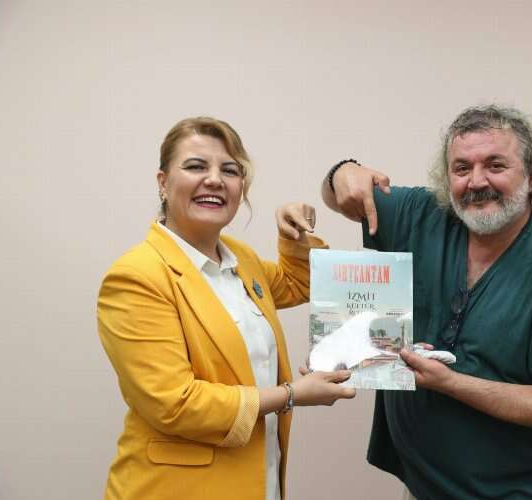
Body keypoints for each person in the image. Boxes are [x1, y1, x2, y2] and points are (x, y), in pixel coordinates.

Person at [321, 105, 532, 499]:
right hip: (422, 486)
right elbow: (337, 194)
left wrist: (451, 384)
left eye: (495, 165)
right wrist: (342, 172)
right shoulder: (424, 215)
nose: (476, 181)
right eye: (461, 168)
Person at [97, 116, 355, 500]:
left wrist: (295, 235)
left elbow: (299, 284)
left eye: (230, 170)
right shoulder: (136, 276)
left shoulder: (240, 260)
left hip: (258, 482)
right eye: (196, 166)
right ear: (163, 182)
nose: (215, 179)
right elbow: (176, 404)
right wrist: (291, 394)